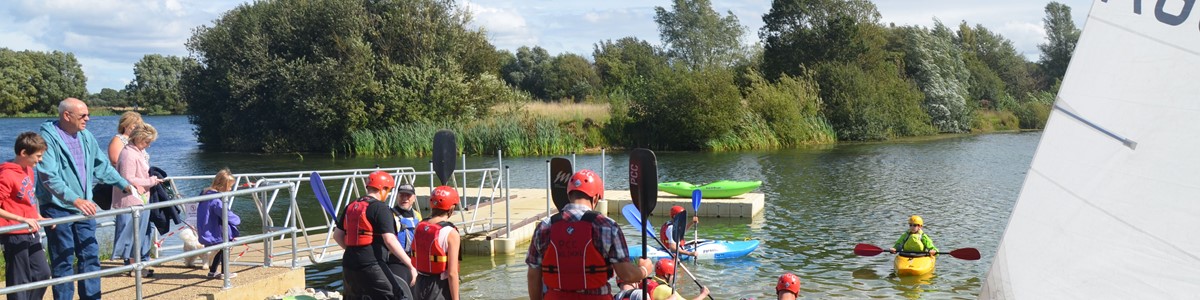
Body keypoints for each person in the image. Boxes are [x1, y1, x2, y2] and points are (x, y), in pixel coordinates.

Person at [36, 98, 136, 300]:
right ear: (67, 115)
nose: (88, 119)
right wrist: (75, 200)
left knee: (90, 255)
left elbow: (102, 165)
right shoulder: (46, 140)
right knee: (63, 259)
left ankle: (92, 297)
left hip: (84, 207)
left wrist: (123, 184)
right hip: (57, 207)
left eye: (88, 115)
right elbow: (48, 177)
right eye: (83, 115)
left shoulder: (85, 136)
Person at [526, 169, 654, 300]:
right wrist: (644, 270)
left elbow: (533, 276)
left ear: (569, 195)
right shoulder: (608, 226)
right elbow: (626, 274)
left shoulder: (544, 227)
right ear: (596, 198)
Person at [334, 171, 415, 299]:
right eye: (388, 191)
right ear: (383, 189)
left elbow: (337, 235)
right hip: (371, 264)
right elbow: (390, 240)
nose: (388, 195)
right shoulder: (381, 208)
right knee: (396, 295)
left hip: (349, 263)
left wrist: (355, 251)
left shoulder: (351, 206)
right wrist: (411, 265)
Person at [0, 132, 51, 300]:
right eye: (37, 156)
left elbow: (27, 200)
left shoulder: (28, 170)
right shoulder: (7, 174)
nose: (40, 160)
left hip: (30, 230)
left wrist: (38, 216)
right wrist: (21, 219)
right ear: (23, 153)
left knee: (42, 274)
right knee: (19, 279)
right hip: (14, 233)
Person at [110, 124, 163, 276]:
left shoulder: (136, 152)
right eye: (147, 141)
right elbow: (128, 178)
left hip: (139, 198)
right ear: (139, 138)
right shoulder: (128, 154)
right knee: (131, 234)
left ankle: (135, 265)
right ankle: (132, 267)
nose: (149, 144)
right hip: (131, 199)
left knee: (138, 233)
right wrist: (152, 181)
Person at [413, 186, 461, 300]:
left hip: (419, 283)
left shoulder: (419, 226)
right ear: (451, 208)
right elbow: (452, 273)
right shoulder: (451, 233)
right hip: (439, 287)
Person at [196, 169, 242, 279]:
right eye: (229, 187)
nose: (230, 189)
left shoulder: (205, 195)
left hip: (209, 228)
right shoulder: (216, 200)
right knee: (225, 248)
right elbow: (225, 214)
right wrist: (237, 220)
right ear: (222, 186)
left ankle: (213, 271)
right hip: (217, 230)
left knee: (220, 250)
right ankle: (224, 273)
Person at [388, 183, 421, 287]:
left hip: (414, 260)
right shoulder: (389, 215)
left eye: (408, 195)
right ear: (397, 196)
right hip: (396, 261)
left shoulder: (417, 216)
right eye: (402, 195)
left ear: (414, 198)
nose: (405, 198)